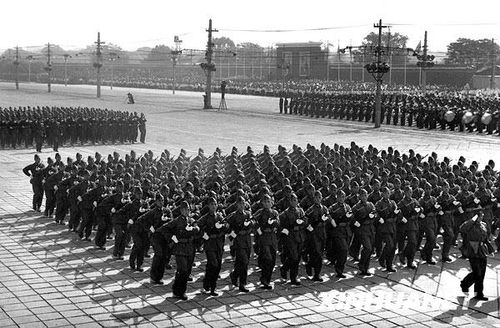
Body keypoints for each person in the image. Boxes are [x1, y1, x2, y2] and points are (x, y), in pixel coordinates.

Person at [164, 201, 200, 300]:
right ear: (181, 210)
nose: (186, 211)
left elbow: (197, 228)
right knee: (183, 270)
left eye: (188, 209)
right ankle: (181, 292)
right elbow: (165, 229)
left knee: (186, 271)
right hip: (180, 248)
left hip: (189, 248)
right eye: (184, 209)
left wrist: (192, 228)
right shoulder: (176, 221)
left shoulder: (191, 220)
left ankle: (177, 290)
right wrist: (173, 238)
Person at [197, 197, 227, 296]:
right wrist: (204, 235)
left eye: (215, 204)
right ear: (208, 206)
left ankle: (207, 283)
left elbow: (226, 227)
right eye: (211, 204)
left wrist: (222, 226)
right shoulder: (205, 218)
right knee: (213, 264)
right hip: (209, 244)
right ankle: (213, 288)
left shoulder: (219, 216)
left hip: (218, 244)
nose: (213, 206)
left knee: (216, 266)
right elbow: (197, 227)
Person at [460, 212, 493, 301]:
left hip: (482, 250)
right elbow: (463, 229)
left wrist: (490, 249)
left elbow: (486, 238)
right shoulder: (469, 225)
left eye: (482, 215)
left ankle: (478, 293)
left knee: (482, 273)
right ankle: (465, 283)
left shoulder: (483, 224)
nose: (481, 217)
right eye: (479, 216)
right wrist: (473, 220)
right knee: (477, 272)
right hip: (473, 249)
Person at [227, 196, 254, 293]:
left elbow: (253, 223)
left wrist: (249, 224)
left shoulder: (248, 214)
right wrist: (233, 232)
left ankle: (234, 275)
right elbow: (227, 226)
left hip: (247, 240)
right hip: (239, 241)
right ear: (236, 205)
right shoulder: (233, 216)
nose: (242, 205)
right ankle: (242, 284)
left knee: (241, 262)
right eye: (240, 204)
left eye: (243, 203)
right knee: (244, 261)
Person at [254, 194, 279, 289]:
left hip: (272, 237)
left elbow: (278, 222)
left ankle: (267, 279)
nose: (268, 203)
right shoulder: (260, 213)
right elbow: (253, 222)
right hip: (264, 237)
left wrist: (273, 222)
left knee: (272, 260)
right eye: (265, 202)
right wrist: (259, 231)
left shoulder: (275, 212)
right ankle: (264, 279)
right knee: (267, 258)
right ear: (262, 203)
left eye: (269, 201)